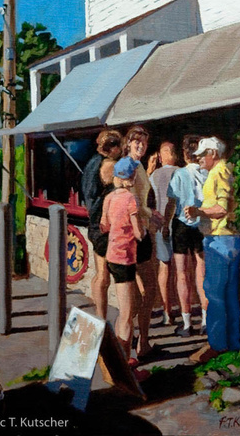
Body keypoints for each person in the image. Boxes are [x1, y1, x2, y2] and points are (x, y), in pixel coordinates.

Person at [185, 136, 240, 364]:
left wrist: (198, 212)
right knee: (228, 294)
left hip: (220, 237)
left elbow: (221, 208)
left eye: (202, 154)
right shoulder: (225, 170)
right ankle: (232, 343)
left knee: (215, 293)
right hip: (229, 237)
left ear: (213, 154)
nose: (198, 158)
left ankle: (218, 345)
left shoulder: (218, 172)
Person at [123, 125, 162, 360]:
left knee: (139, 292)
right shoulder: (130, 167)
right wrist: (151, 215)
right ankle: (142, 341)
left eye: (144, 143)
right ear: (128, 143)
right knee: (149, 290)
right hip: (137, 234)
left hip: (136, 232)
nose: (140, 146)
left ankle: (137, 340)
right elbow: (133, 203)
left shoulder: (136, 166)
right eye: (136, 141)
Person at [100, 156, 144, 361]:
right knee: (126, 313)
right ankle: (124, 362)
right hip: (125, 258)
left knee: (128, 306)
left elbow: (104, 226)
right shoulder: (130, 199)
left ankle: (120, 352)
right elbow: (139, 234)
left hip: (111, 256)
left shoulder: (109, 198)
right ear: (130, 177)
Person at [165, 134, 208, 337]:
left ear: (184, 154)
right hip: (202, 225)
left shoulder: (179, 174)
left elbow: (172, 203)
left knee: (182, 274)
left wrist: (165, 224)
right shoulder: (207, 173)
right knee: (202, 272)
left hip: (181, 224)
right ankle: (206, 320)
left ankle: (187, 322)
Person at [81, 129, 122, 318]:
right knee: (106, 275)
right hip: (105, 224)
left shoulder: (91, 164)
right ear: (112, 148)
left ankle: (100, 317)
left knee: (100, 273)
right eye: (120, 146)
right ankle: (102, 317)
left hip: (95, 222)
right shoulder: (110, 166)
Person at [149, 141, 179, 325]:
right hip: (180, 223)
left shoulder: (155, 175)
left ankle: (167, 311)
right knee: (183, 270)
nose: (159, 157)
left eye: (161, 153)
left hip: (161, 224)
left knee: (164, 266)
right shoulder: (180, 172)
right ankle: (186, 312)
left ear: (167, 153)